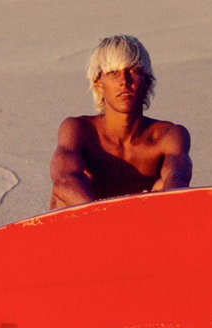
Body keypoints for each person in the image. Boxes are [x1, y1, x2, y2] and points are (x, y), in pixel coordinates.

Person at [49, 34, 192, 209]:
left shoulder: (168, 136)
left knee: (164, 188)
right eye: (113, 72)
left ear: (147, 81)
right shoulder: (79, 130)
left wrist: (160, 202)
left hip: (145, 223)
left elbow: (177, 180)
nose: (124, 81)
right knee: (67, 192)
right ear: (99, 83)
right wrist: (108, 220)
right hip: (90, 225)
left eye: (133, 70)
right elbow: (63, 181)